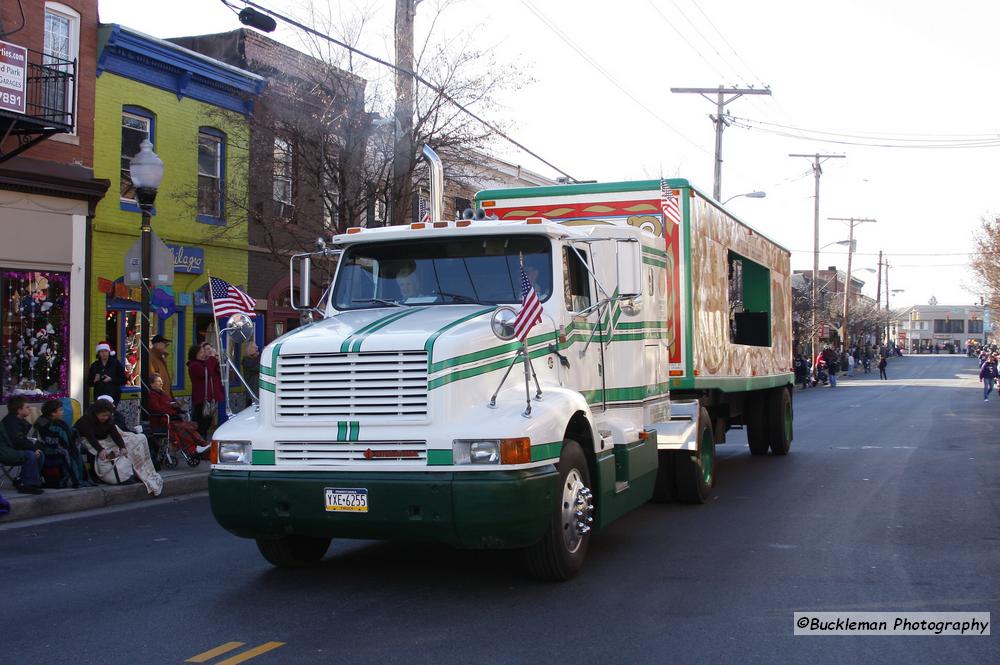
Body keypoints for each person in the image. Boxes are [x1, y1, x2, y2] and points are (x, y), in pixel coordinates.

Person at [75, 400, 162, 496]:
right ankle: (95, 475)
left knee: (135, 440)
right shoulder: (86, 420)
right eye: (103, 415)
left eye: (108, 415)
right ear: (96, 413)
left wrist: (122, 447)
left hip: (102, 437)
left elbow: (115, 434)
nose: (106, 418)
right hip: (86, 439)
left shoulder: (109, 420)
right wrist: (100, 449)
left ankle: (133, 471)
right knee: (95, 451)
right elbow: (90, 437)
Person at [148, 373, 210, 456]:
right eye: (158, 381)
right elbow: (157, 408)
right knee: (183, 428)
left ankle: (202, 444)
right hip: (162, 421)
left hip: (171, 418)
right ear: (152, 384)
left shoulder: (163, 394)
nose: (161, 383)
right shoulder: (152, 395)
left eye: (161, 381)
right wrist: (170, 408)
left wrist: (177, 407)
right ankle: (194, 448)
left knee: (188, 427)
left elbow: (170, 403)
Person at [34, 399, 89, 488]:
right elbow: (62, 443)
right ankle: (75, 478)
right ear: (53, 413)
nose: (63, 412)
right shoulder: (56, 426)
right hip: (50, 451)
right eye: (60, 410)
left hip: (45, 448)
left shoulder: (41, 420)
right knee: (72, 453)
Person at [0, 396, 44, 494]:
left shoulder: (19, 420)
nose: (29, 409)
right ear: (19, 410)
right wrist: (33, 449)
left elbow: (24, 439)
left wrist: (36, 447)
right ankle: (27, 484)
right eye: (27, 407)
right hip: (5, 451)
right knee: (30, 455)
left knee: (40, 453)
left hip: (12, 448)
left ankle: (29, 481)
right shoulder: (11, 422)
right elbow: (18, 441)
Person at [188, 343, 224, 437]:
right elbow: (206, 373)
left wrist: (216, 361)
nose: (203, 354)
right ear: (194, 354)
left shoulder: (203, 363)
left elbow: (215, 373)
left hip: (209, 398)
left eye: (203, 352)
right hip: (201, 399)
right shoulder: (194, 365)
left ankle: (202, 441)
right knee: (200, 424)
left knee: (207, 423)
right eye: (201, 352)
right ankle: (198, 443)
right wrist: (211, 358)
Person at [149, 334, 174, 399]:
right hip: (161, 398)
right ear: (156, 344)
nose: (166, 345)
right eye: (164, 343)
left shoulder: (160, 358)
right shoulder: (152, 358)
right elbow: (154, 380)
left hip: (165, 397)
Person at [241, 341, 261, 407]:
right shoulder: (246, 361)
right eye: (254, 347)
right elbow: (258, 367)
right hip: (252, 394)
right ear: (249, 349)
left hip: (257, 393)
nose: (256, 348)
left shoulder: (254, 359)